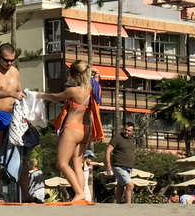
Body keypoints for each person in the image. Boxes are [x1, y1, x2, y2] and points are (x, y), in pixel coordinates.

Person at [40, 60, 95, 202]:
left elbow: (54, 97)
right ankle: (81, 195)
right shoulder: (92, 90)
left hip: (71, 129)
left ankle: (79, 193)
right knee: (78, 165)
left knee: (62, 163)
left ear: (75, 75)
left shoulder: (73, 91)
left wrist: (41, 95)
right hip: (84, 130)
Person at [0, 44, 26, 202]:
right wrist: (11, 93)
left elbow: (20, 91)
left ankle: (26, 194)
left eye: (12, 60)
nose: (9, 63)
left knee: (21, 154)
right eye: (6, 60)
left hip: (13, 116)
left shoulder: (15, 71)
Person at [106, 120, 136, 204]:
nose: (127, 132)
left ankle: (116, 205)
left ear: (132, 131)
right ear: (123, 129)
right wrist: (108, 165)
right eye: (125, 130)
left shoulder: (131, 139)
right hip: (119, 166)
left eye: (129, 130)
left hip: (128, 167)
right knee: (130, 185)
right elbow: (108, 151)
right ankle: (129, 205)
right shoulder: (117, 138)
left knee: (120, 188)